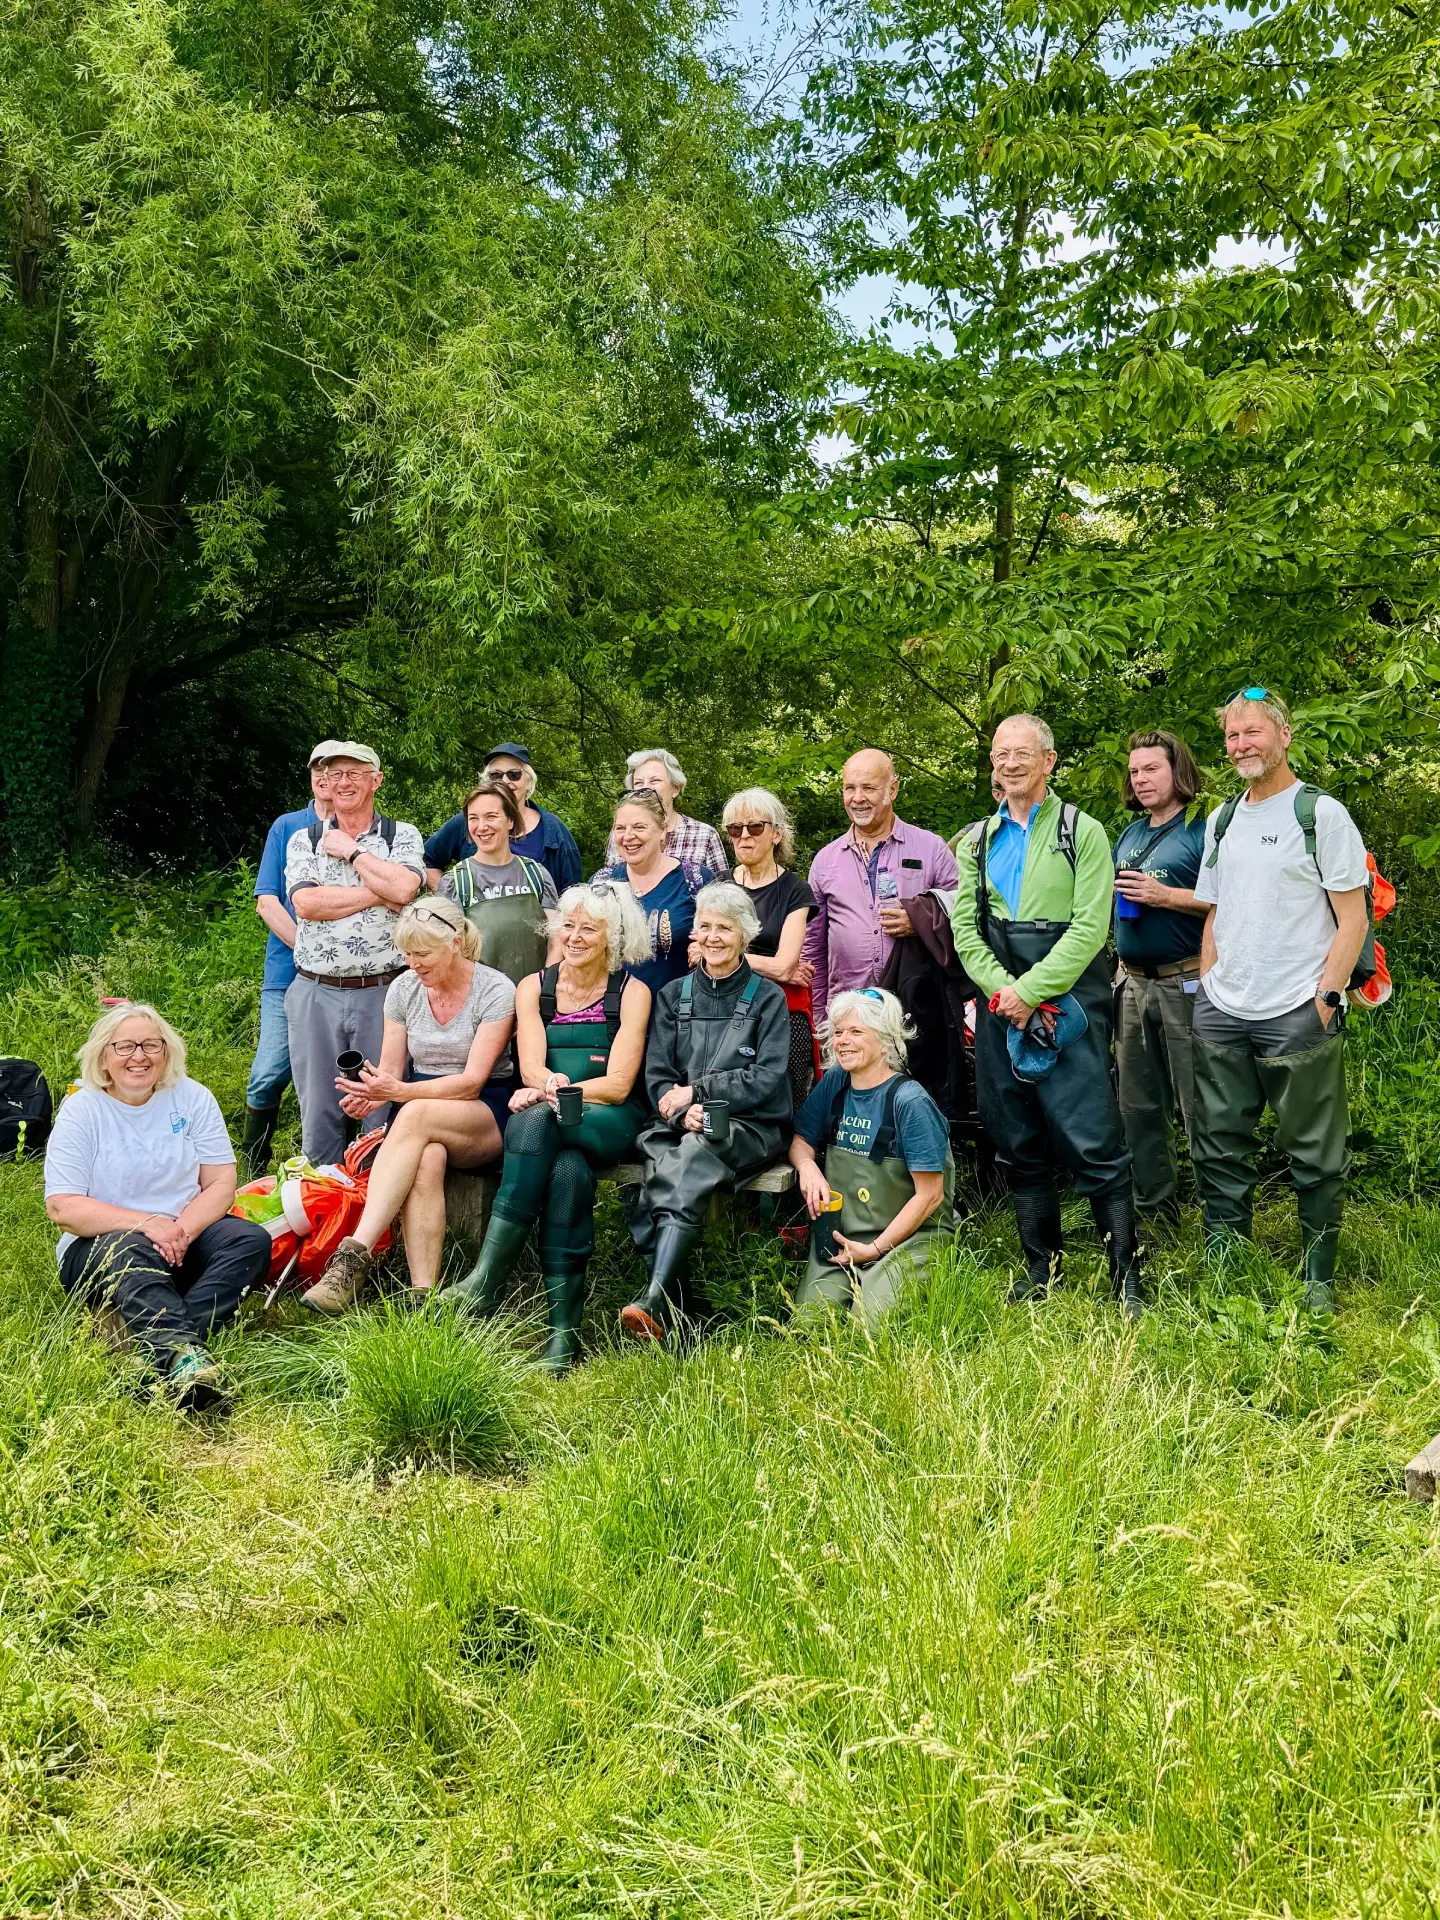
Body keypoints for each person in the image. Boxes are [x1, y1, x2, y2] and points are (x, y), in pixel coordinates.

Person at [950, 714, 1144, 1316]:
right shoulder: (976, 840)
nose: (1009, 764)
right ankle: (1042, 1270)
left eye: (1022, 753)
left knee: (1092, 1136)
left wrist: (1031, 991)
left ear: (1048, 761)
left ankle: (1126, 1276)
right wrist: (1003, 993)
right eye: (1000, 754)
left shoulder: (1081, 832)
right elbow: (964, 928)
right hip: (1000, 1004)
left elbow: (1089, 928)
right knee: (1016, 1138)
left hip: (1069, 1002)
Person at [1191, 689, 1370, 1313]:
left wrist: (1327, 996)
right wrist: (1208, 982)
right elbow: (1215, 908)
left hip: (1298, 1008)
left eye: (1253, 732)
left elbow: (1353, 917)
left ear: (1284, 735)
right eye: (1232, 735)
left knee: (1314, 1150)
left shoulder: (1320, 814)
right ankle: (1225, 1264)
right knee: (1217, 1142)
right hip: (1223, 1008)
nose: (1241, 744)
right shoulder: (1222, 819)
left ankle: (1318, 1277)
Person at [448, 882, 654, 1369]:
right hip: (556, 1116)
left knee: (538, 1116)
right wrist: (547, 1085)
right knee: (566, 1171)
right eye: (569, 925)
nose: (575, 937)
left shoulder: (632, 992)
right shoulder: (534, 987)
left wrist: (557, 1093)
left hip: (610, 1119)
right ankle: (564, 1338)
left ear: (613, 936)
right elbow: (531, 1068)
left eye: (589, 929)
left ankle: (486, 1280)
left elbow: (619, 1084)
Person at [43, 1003, 270, 1403]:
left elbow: (221, 1183)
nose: (139, 1056)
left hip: (180, 1235)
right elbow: (63, 1208)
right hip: (102, 1248)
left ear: (167, 1053)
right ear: (103, 1057)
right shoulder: (82, 1110)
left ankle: (149, 1350)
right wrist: (148, 1224)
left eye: (151, 1045)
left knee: (249, 1240)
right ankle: (183, 1356)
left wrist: (180, 1231)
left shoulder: (192, 1097)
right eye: (125, 1046)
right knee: (128, 1245)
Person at [300, 897, 518, 1311]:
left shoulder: (495, 989)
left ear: (455, 943)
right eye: (407, 954)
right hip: (417, 1110)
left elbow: (472, 1083)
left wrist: (397, 1093)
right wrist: (370, 1095)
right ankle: (423, 1295)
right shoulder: (403, 989)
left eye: (423, 953)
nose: (413, 963)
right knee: (428, 1157)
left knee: (414, 1115)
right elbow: (390, 1070)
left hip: (482, 1108)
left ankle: (352, 1258)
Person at [618, 882, 791, 1343]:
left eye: (725, 928)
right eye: (705, 926)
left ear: (745, 935)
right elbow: (657, 1076)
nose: (713, 937)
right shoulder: (672, 995)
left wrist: (698, 1094)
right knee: (658, 1164)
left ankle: (657, 1298)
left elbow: (767, 1077)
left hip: (750, 1125)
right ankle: (679, 1312)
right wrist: (681, 1115)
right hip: (677, 1126)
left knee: (689, 1156)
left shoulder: (768, 997)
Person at [283, 742, 425, 1166]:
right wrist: (380, 893)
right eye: (335, 774)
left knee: (381, 1104)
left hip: (384, 991)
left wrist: (352, 851)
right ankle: (323, 1197)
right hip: (315, 991)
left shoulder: (401, 835)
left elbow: (406, 889)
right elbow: (306, 904)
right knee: (318, 1110)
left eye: (355, 774)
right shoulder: (304, 839)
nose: (343, 783)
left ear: (376, 781)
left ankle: (376, 1199)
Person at [789, 989, 955, 1327]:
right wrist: (808, 1167)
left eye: (856, 1031)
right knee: (809, 1326)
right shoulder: (836, 1082)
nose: (843, 1041)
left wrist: (876, 1249)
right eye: (839, 1032)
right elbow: (800, 1140)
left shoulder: (910, 1102)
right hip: (843, 1236)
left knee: (869, 1329)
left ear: (885, 1040)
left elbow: (930, 1195)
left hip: (910, 1239)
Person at [1112, 730, 1209, 1224]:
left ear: (1178, 770)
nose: (1141, 779)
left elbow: (1231, 901)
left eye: (1152, 768)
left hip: (1187, 982)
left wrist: (1164, 896)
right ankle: (1156, 1218)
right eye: (1134, 771)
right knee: (1139, 1107)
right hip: (1132, 984)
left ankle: (1220, 1220)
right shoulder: (1129, 834)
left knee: (1200, 1104)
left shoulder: (1202, 829)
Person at [802, 749, 958, 1026]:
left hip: (917, 1009)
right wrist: (819, 1019)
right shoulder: (825, 860)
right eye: (849, 788)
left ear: (893, 789)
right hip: (847, 1013)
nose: (857, 798)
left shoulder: (931, 848)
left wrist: (921, 921)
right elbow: (813, 947)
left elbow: (965, 911)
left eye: (868, 788)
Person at [240, 744, 335, 1179]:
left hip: (347, 981)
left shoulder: (364, 831)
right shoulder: (287, 826)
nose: (325, 777)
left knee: (339, 1074)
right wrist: (307, 949)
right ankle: (252, 1167)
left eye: (335, 770)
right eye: (318, 769)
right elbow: (267, 901)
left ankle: (336, 1170)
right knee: (268, 1072)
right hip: (287, 974)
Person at [722, 786, 817, 1105]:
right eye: (735, 829)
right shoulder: (720, 885)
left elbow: (785, 966)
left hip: (781, 1011)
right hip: (723, 1010)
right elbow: (698, 955)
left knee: (786, 1101)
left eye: (755, 827)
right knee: (725, 1097)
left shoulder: (795, 890)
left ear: (776, 834)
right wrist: (772, 966)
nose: (744, 836)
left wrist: (727, 957)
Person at [437, 778, 558, 983]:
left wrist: (544, 987)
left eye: (491, 817)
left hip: (535, 995)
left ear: (510, 820)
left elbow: (556, 942)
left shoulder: (536, 875)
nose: (481, 827)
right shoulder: (456, 882)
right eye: (473, 818)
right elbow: (447, 951)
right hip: (480, 997)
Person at [423, 742, 582, 895]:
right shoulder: (467, 822)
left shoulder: (553, 829)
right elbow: (426, 859)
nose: (505, 781)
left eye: (514, 774)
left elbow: (573, 892)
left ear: (529, 781)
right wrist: (451, 901)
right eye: (496, 775)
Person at [593, 789, 711, 992]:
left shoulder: (696, 880)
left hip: (678, 1006)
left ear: (662, 830)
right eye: (620, 828)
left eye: (639, 827)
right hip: (613, 1006)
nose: (628, 836)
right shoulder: (601, 883)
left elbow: (727, 937)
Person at [603, 749, 727, 876]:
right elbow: (608, 882)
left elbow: (721, 886)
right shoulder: (623, 836)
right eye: (639, 783)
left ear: (675, 789)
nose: (645, 788)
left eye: (654, 781)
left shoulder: (704, 835)